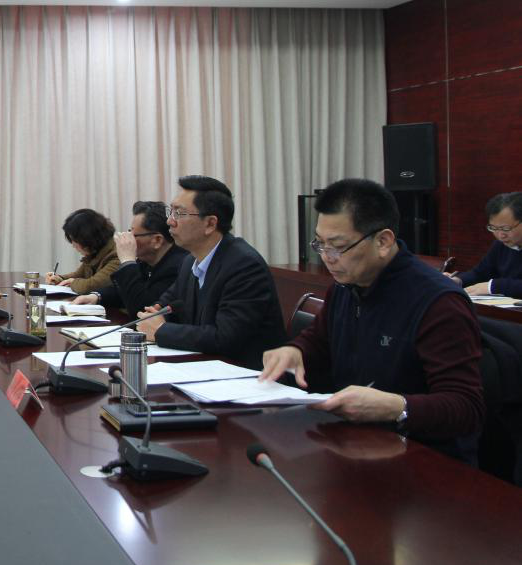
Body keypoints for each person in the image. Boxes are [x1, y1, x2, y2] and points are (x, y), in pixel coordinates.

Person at [259, 178, 484, 460]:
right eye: (320, 244)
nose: (327, 257)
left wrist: (397, 406)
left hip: (424, 459)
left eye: (338, 246)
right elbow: (318, 340)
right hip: (355, 444)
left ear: (383, 241)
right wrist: (294, 351)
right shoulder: (345, 287)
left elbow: (466, 407)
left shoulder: (438, 302)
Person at [136, 176, 285, 369]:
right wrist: (156, 315)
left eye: (179, 213)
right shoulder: (189, 261)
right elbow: (168, 304)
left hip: (247, 374)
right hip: (207, 368)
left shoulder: (244, 266)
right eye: (170, 212)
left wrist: (161, 330)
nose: (170, 221)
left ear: (210, 224)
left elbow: (226, 338)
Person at [71, 201, 189, 315]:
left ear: (157, 240)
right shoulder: (146, 261)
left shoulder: (178, 267)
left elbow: (141, 309)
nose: (128, 238)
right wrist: (96, 296)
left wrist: (127, 261)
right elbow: (122, 291)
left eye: (133, 234)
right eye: (129, 231)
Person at [448, 192, 522, 297]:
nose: (500, 235)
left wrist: (494, 286)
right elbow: (480, 273)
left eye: (506, 228)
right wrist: (458, 280)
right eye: (493, 228)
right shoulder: (500, 245)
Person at [45, 209, 120, 294]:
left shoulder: (117, 256)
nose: (73, 245)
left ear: (87, 238)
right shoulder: (95, 252)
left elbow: (92, 286)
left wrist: (73, 282)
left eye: (74, 240)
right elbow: (78, 275)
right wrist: (59, 278)